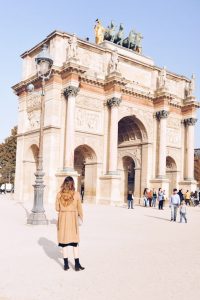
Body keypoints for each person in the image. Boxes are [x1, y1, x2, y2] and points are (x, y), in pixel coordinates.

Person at [55, 176, 84, 271]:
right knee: (75, 243)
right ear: (72, 184)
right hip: (72, 219)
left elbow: (57, 208)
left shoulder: (59, 195)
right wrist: (81, 217)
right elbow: (79, 208)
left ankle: (66, 264)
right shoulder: (76, 195)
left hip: (63, 219)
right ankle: (76, 264)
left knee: (63, 243)